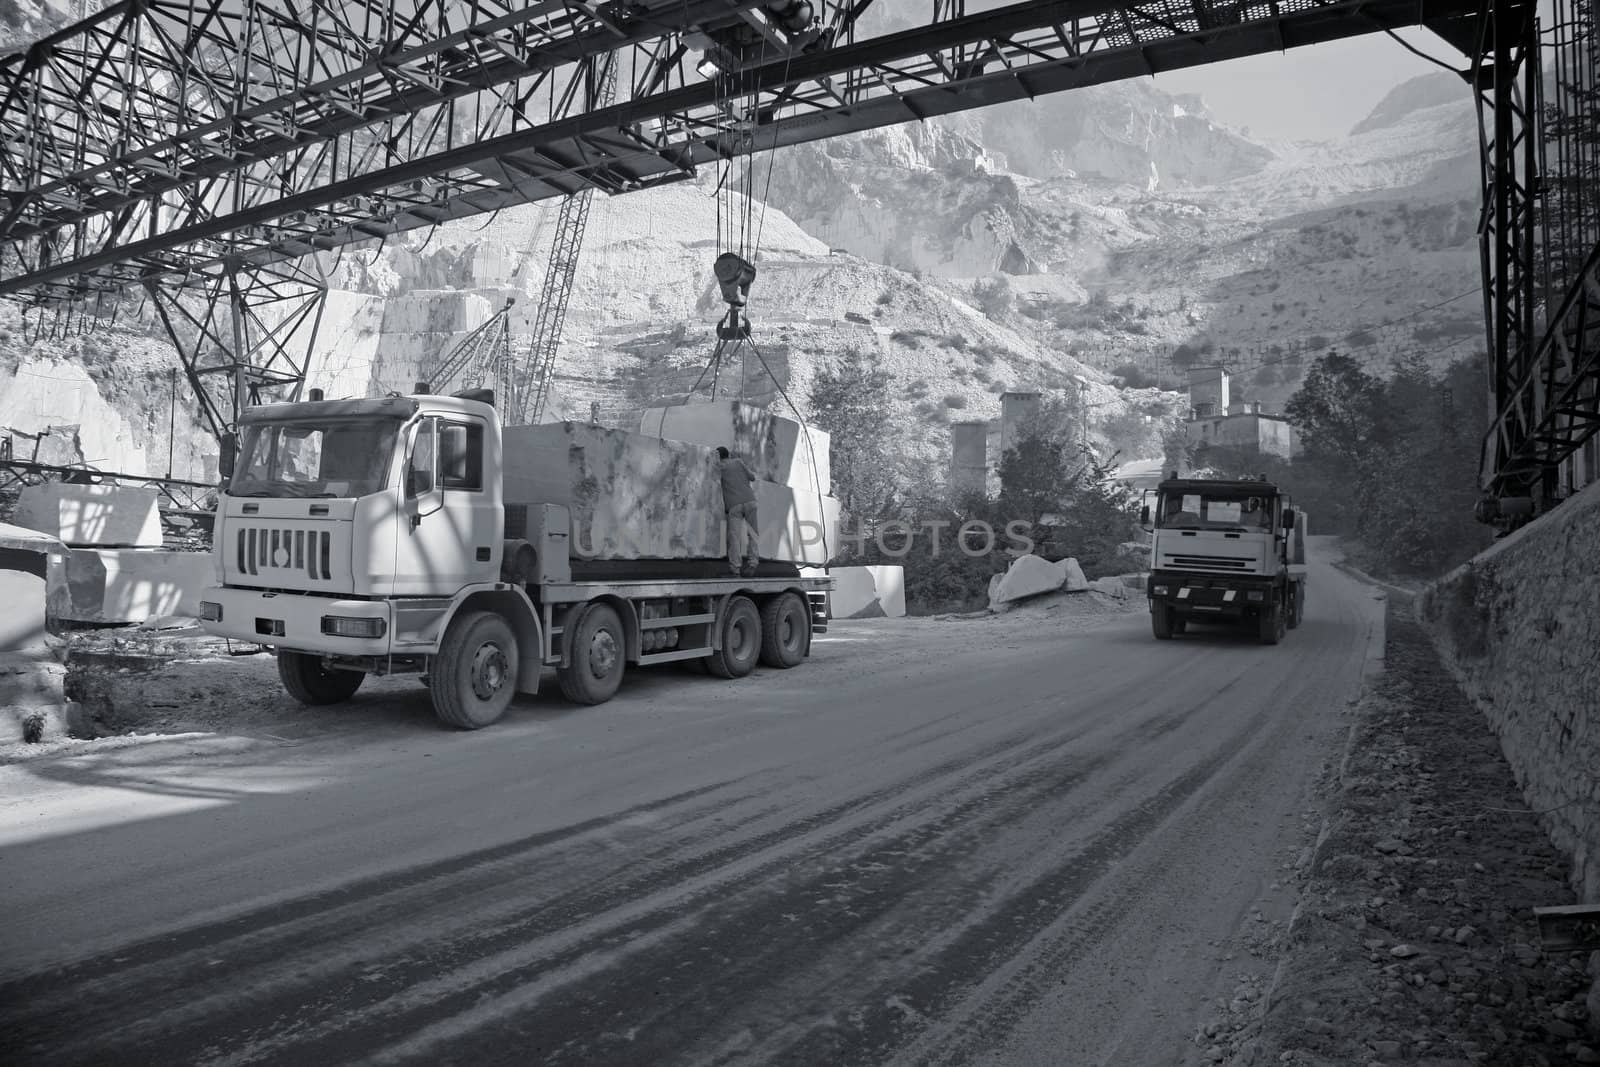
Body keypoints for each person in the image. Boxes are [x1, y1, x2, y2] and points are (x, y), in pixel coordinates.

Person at [717, 446, 759, 576]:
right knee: (752, 533)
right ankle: (752, 563)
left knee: (734, 537)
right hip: (750, 501)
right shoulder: (738, 462)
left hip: (734, 506)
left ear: (718, 457)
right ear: (728, 455)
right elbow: (752, 477)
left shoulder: (719, 468)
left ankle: (735, 568)